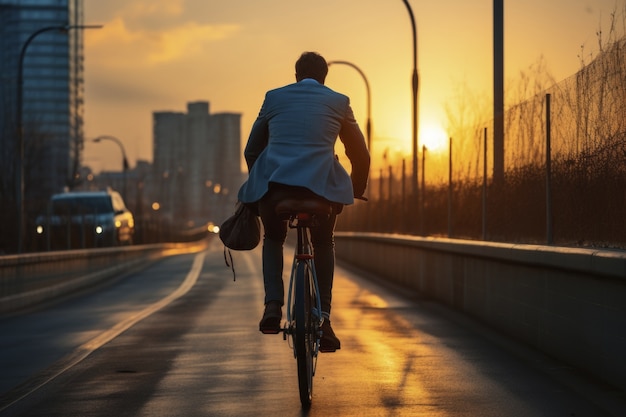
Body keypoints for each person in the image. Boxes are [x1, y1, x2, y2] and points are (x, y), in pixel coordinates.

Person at [237, 51, 370, 352]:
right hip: (322, 190)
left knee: (273, 237)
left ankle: (273, 306)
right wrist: (356, 188)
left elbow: (251, 150)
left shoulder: (273, 98)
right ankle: (324, 319)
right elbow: (360, 155)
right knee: (324, 243)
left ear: (296, 75)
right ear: (325, 78)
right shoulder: (339, 101)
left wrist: (259, 184)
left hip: (277, 189)